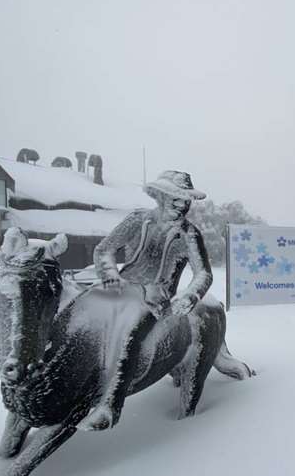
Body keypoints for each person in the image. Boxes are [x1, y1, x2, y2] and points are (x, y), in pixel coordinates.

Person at [77, 170, 212, 431]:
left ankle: (110, 403)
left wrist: (190, 296)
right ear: (161, 197)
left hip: (154, 297)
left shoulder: (189, 234)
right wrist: (109, 275)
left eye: (186, 201)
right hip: (121, 287)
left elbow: (203, 272)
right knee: (80, 308)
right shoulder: (138, 220)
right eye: (176, 200)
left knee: (132, 330)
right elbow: (104, 249)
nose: (183, 206)